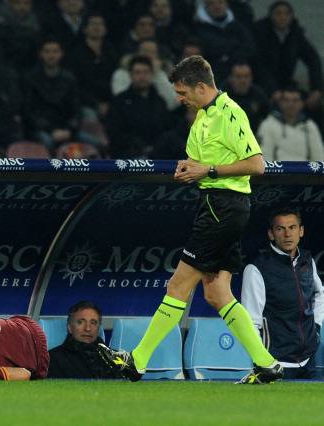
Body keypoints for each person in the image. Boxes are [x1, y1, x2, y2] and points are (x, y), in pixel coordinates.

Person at [101, 55, 283, 385]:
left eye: (184, 93)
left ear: (201, 87)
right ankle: (266, 363)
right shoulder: (202, 118)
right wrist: (189, 167)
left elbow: (257, 165)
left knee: (177, 285)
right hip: (215, 204)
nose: (180, 99)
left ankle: (138, 360)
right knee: (217, 293)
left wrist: (208, 171)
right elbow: (202, 161)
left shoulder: (230, 113)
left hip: (224, 207)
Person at [242, 207, 324, 379]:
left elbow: (320, 294)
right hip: (276, 363)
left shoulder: (307, 260)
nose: (288, 234)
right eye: (280, 229)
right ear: (271, 234)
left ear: (301, 231)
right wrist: (263, 361)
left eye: (292, 227)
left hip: (308, 360)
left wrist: (316, 326)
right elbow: (251, 321)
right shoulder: (257, 268)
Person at [48, 301, 126, 379]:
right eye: (80, 322)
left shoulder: (116, 359)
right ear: (70, 327)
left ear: (98, 327)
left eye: (93, 323)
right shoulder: (52, 359)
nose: (87, 328)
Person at [257, 86, 324, 161]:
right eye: (286, 100)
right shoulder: (268, 125)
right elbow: (264, 158)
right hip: (278, 171)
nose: (291, 104)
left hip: (305, 171)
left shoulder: (309, 126)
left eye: (295, 100)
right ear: (280, 103)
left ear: (302, 103)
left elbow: (319, 158)